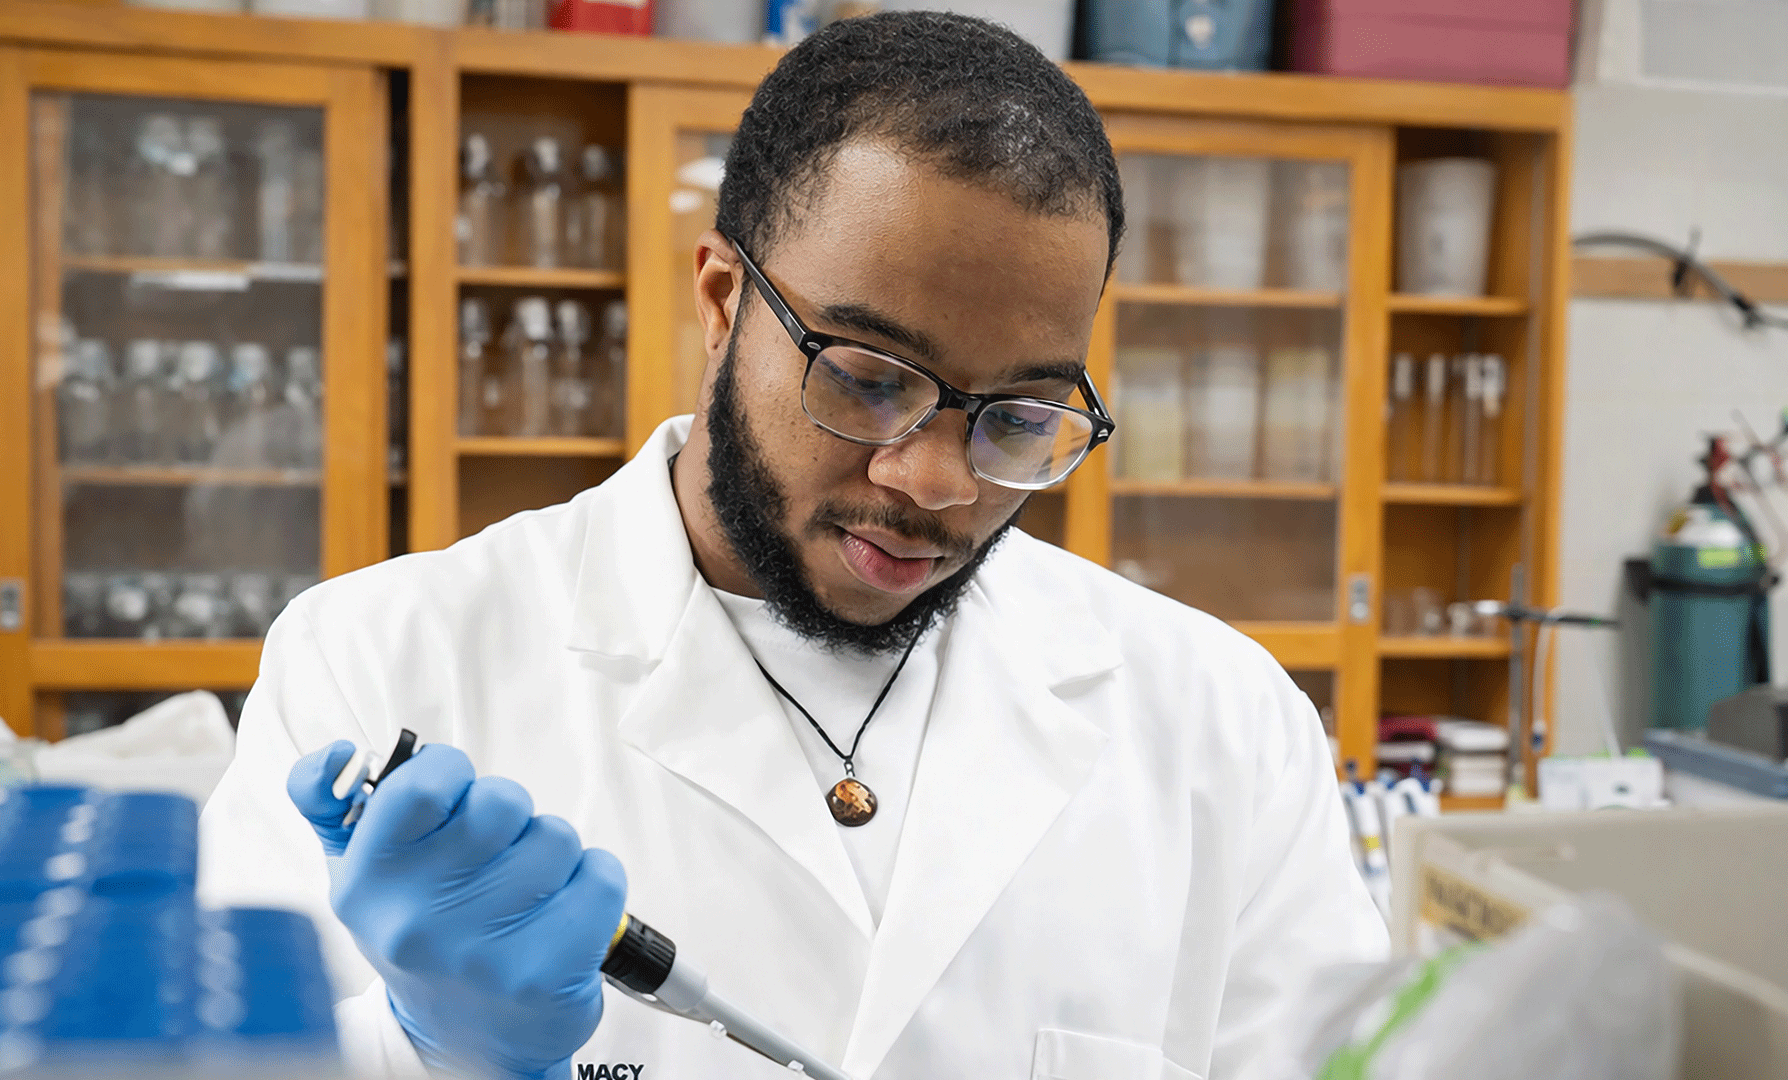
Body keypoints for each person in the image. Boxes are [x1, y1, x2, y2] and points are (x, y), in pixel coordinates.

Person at [199, 12, 1387, 1080]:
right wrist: (428, 1052)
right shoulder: (385, 658)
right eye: (870, 380)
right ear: (722, 301)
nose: (935, 482)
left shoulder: (1222, 724)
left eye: (1020, 418)